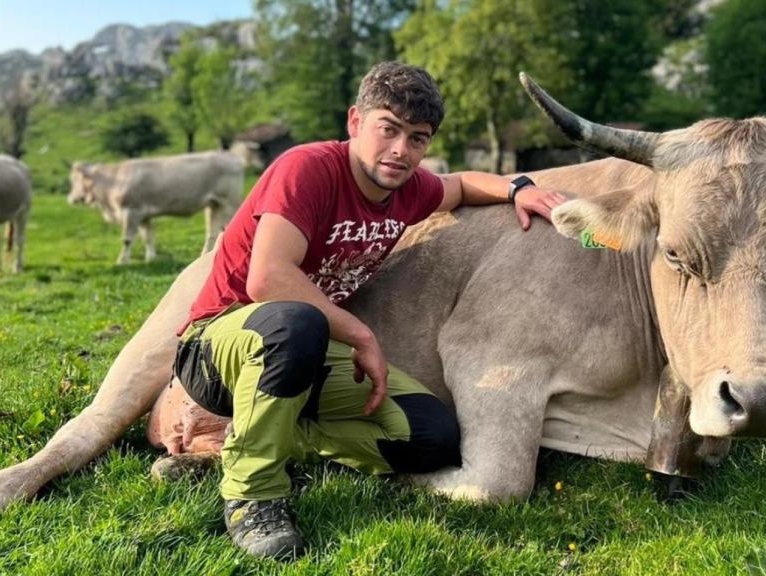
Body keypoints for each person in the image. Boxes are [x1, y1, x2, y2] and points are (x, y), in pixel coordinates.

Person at [171, 61, 568, 560]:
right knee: (297, 321)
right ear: (356, 121)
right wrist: (360, 335)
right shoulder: (307, 168)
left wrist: (518, 188)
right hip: (220, 345)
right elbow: (269, 278)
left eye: (418, 138)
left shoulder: (407, 189)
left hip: (305, 354)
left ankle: (252, 436)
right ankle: (253, 495)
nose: (402, 150)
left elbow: (462, 184)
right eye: (389, 129)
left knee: (432, 438)